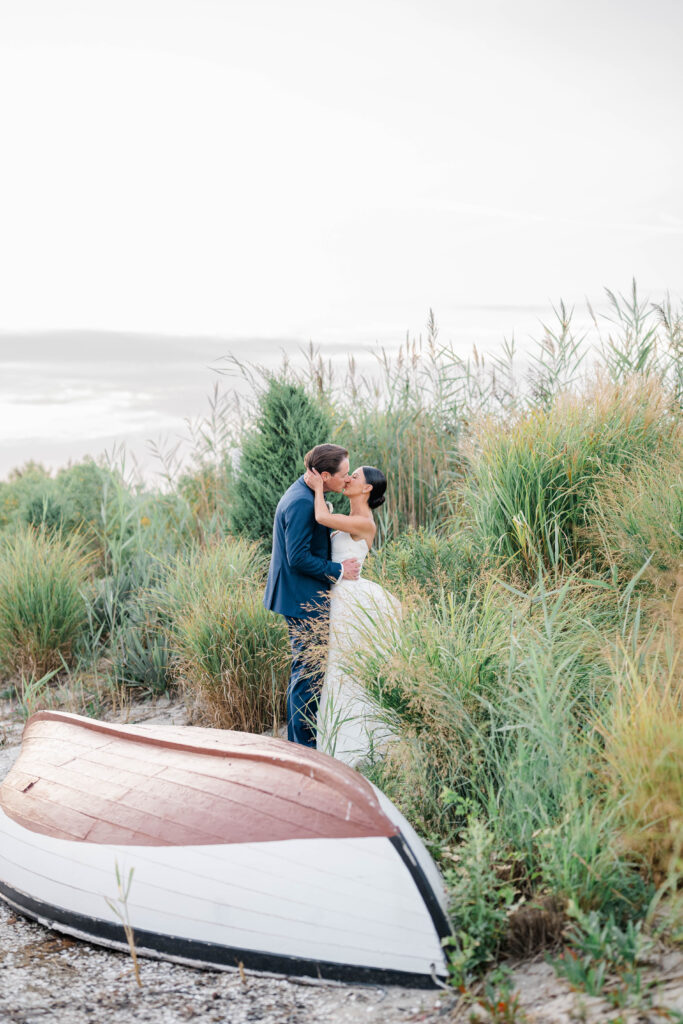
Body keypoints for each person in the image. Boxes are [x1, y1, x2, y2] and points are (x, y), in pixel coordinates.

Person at [263, 444, 360, 748]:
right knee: (307, 675)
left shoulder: (307, 495)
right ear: (325, 476)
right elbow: (298, 558)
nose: (346, 480)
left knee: (308, 672)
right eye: (344, 475)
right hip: (302, 599)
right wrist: (340, 569)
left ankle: (304, 744)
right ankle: (303, 749)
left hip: (301, 595)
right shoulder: (301, 504)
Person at [304, 464, 401, 767]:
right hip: (340, 596)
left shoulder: (364, 522)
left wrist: (319, 486)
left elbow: (321, 517)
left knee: (347, 668)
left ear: (367, 488)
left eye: (354, 476)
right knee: (338, 667)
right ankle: (339, 741)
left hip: (351, 600)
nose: (347, 479)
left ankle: (356, 745)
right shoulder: (348, 518)